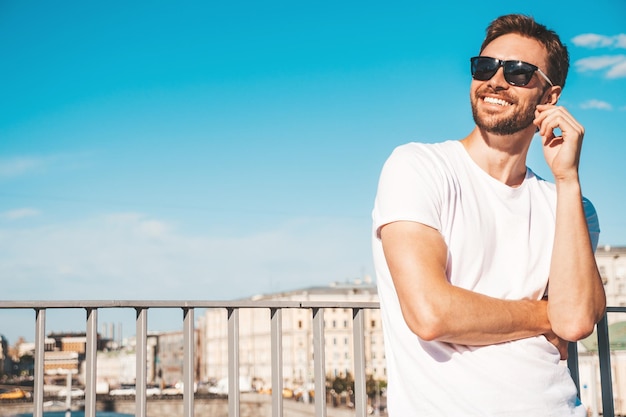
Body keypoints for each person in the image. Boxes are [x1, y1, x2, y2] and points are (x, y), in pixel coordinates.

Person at [372, 14, 606, 416]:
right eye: (485, 67)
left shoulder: (570, 205)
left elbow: (576, 320)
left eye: (518, 73)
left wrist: (567, 179)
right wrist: (542, 313)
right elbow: (432, 313)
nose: (495, 81)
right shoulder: (418, 167)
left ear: (550, 98)